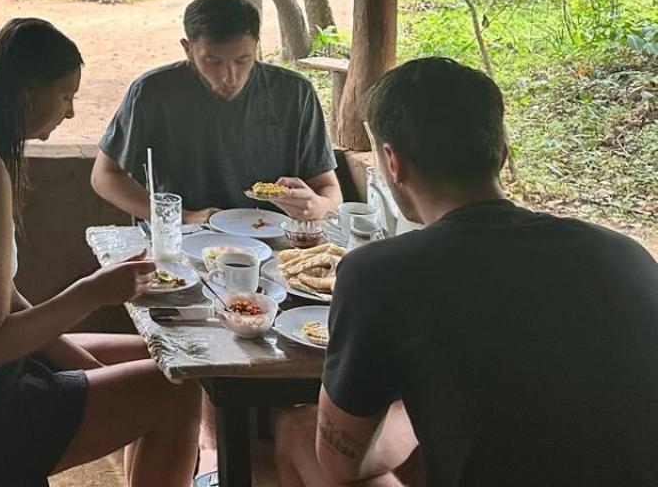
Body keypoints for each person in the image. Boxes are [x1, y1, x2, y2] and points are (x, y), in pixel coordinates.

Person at [275, 57, 658, 487]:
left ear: (392, 162)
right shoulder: (626, 256)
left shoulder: (380, 273)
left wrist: (409, 417)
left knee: (298, 432)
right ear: (502, 153)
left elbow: (342, 462)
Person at [0, 17, 200, 487]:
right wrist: (93, 292)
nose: (71, 113)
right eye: (66, 95)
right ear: (31, 91)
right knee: (177, 393)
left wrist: (87, 369)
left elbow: (2, 295)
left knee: (169, 362)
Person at [91, 0, 341, 224]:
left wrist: (317, 205)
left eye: (242, 60)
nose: (229, 77)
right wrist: (184, 217)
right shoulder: (153, 92)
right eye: (213, 61)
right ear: (188, 49)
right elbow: (105, 176)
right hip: (187, 234)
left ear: (256, 46)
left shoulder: (295, 93)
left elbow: (329, 189)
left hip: (274, 236)